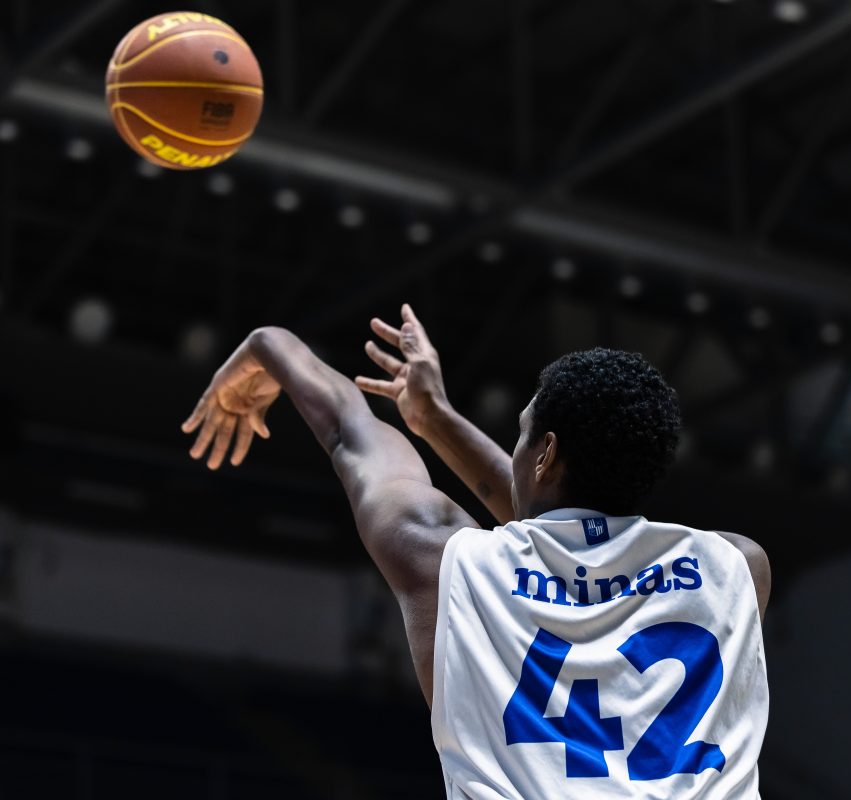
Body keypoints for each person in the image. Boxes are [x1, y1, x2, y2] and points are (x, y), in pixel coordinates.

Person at [182, 305, 771, 798]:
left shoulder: (445, 561)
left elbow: (347, 430)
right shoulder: (737, 568)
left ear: (545, 455)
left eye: (522, 435)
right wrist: (435, 418)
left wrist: (272, 345)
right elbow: (574, 537)